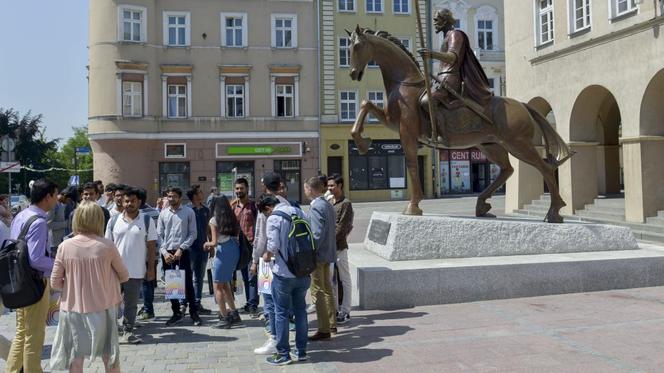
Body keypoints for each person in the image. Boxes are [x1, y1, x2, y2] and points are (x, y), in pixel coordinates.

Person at [49, 202, 128, 373]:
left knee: (75, 358)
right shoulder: (107, 246)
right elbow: (124, 275)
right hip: (104, 309)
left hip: (72, 310)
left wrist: (73, 286)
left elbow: (54, 283)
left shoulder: (65, 246)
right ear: (99, 220)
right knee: (109, 357)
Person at [5, 179, 58, 373]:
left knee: (22, 333)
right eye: (55, 194)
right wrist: (59, 264)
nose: (57, 198)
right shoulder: (40, 222)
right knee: (34, 335)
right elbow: (36, 259)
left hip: (19, 281)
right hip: (35, 283)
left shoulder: (22, 215)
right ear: (47, 197)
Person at [418, 8, 493, 140]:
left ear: (445, 20)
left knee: (427, 101)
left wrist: (431, 54)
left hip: (450, 78)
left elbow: (453, 57)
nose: (435, 23)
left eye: (437, 19)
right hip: (442, 77)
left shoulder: (455, 35)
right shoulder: (446, 37)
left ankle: (442, 134)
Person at [263, 190, 311, 365]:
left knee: (281, 312)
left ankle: (283, 354)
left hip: (283, 274)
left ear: (269, 207)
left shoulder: (274, 218)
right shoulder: (299, 211)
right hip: (303, 270)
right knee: (301, 311)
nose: (267, 214)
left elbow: (273, 245)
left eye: (265, 211)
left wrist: (267, 255)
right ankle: (302, 351)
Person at [105, 187, 157, 344]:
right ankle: (111, 331)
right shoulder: (113, 221)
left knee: (131, 304)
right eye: (126, 201)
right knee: (111, 302)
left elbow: (152, 246)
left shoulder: (147, 220)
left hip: (135, 270)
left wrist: (151, 269)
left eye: (133, 201)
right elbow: (108, 246)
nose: (129, 204)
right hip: (114, 270)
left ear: (139, 202)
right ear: (122, 201)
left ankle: (128, 330)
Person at [251, 172, 290, 355]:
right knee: (283, 303)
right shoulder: (287, 204)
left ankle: (274, 338)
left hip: (267, 260)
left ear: (264, 185)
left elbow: (260, 237)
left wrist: (254, 260)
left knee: (269, 302)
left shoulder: (265, 205)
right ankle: (282, 337)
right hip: (287, 261)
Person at [157, 187, 201, 326]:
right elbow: (159, 235)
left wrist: (181, 248)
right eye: (169, 196)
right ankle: (176, 312)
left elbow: (193, 233)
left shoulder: (189, 212)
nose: (171, 199)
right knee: (172, 285)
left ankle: (194, 312)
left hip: (182, 251)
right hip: (167, 252)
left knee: (187, 283)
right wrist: (164, 252)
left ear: (180, 198)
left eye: (174, 196)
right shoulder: (163, 214)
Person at [304, 177, 337, 341]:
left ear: (310, 189)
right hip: (328, 252)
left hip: (318, 255)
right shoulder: (327, 204)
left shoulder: (317, 206)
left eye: (305, 188)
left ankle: (324, 328)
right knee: (327, 288)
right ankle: (331, 323)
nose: (305, 191)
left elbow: (316, 235)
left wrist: (309, 251)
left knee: (317, 291)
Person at [205, 196, 242, 328]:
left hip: (223, 251)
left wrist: (206, 243)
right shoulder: (231, 216)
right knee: (225, 283)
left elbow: (214, 242)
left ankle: (224, 317)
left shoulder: (213, 220)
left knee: (218, 286)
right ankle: (234, 313)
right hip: (233, 249)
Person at [327, 174, 354, 324]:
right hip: (330, 249)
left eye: (332, 185)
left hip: (339, 248)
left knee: (344, 279)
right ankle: (335, 309)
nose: (330, 188)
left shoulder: (346, 204)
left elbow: (342, 227)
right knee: (332, 281)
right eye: (329, 185)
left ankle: (346, 311)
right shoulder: (330, 201)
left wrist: (329, 241)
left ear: (340, 186)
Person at [182, 185, 212, 315]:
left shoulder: (206, 209)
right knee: (187, 276)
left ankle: (197, 302)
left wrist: (211, 245)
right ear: (194, 195)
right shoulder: (187, 210)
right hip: (190, 249)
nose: (202, 193)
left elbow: (209, 229)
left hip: (203, 247)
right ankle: (183, 303)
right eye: (199, 192)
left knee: (199, 277)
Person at [231, 177, 259, 316]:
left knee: (252, 276)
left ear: (247, 189)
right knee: (244, 276)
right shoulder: (233, 206)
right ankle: (249, 303)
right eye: (237, 188)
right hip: (238, 246)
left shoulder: (254, 206)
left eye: (241, 188)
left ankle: (253, 304)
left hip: (251, 244)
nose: (239, 191)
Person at [137, 187, 161, 320]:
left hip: (143, 253)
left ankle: (148, 308)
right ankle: (148, 306)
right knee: (149, 281)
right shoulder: (155, 212)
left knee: (145, 282)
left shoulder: (136, 215)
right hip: (155, 252)